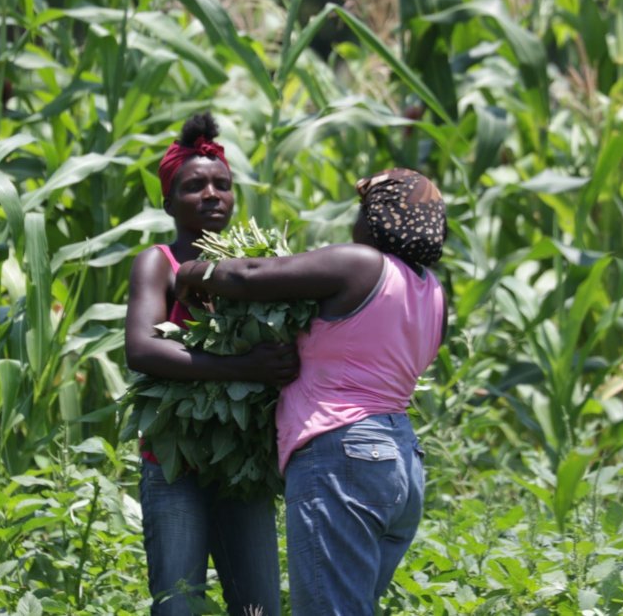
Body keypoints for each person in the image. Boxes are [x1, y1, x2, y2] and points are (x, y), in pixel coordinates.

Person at [175, 167, 448, 615]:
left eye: (361, 211)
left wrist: (191, 270)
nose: (354, 221)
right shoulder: (434, 293)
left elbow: (248, 274)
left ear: (378, 219)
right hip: (402, 462)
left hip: (346, 453)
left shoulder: (361, 265)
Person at [124, 112, 298, 616]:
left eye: (222, 185)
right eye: (194, 186)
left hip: (242, 462)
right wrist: (245, 367)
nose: (211, 195)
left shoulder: (254, 264)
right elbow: (142, 349)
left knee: (258, 606)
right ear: (168, 202)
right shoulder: (159, 262)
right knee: (178, 604)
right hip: (174, 464)